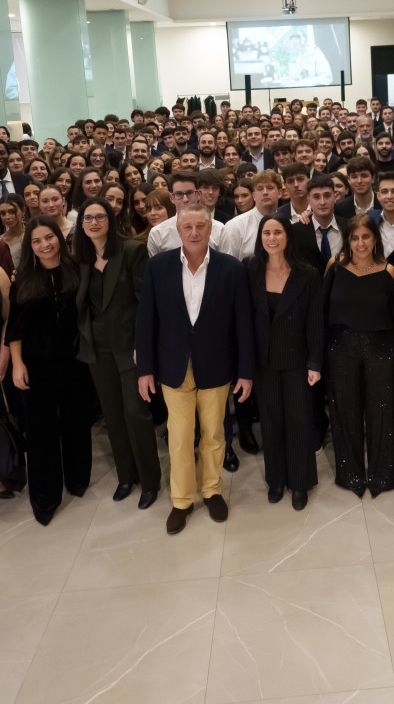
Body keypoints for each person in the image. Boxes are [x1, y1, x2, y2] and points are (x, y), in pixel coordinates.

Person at [136, 204, 256, 535]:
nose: (193, 232)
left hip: (216, 365)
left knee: (215, 434)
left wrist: (246, 371)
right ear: (177, 230)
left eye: (200, 226)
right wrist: (145, 368)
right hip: (172, 366)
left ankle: (212, 491)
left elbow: (243, 324)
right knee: (179, 436)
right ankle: (182, 500)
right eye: (187, 226)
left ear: (210, 229)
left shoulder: (230, 268)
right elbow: (146, 320)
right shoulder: (158, 267)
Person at [74, 197, 160, 510]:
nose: (93, 222)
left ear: (111, 220)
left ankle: (150, 481)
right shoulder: (79, 257)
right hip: (97, 348)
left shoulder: (131, 251)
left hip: (130, 346)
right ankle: (127, 477)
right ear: (81, 225)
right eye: (87, 218)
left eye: (99, 216)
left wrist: (144, 344)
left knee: (136, 413)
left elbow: (146, 303)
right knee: (112, 415)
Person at [6, 217, 92, 525]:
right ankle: (45, 498)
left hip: (73, 362)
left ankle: (78, 479)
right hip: (35, 364)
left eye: (49, 237)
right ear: (30, 247)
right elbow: (14, 328)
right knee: (41, 433)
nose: (45, 245)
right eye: (37, 241)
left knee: (75, 423)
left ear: (59, 237)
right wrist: (17, 364)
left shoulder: (77, 271)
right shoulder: (24, 280)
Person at [246, 215, 323, 511]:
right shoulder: (251, 269)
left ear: (288, 236)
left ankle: (300, 482)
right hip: (263, 361)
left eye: (278, 232)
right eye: (266, 232)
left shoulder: (307, 274)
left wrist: (314, 363)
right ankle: (276, 480)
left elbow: (316, 322)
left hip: (297, 360)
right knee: (271, 422)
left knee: (299, 421)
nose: (272, 238)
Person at [323, 214, 394, 498]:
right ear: (347, 240)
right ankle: (351, 474)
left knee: (382, 413)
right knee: (345, 412)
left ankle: (382, 475)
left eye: (366, 237)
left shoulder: (388, 271)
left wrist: (393, 351)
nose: (360, 243)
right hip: (340, 347)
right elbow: (322, 310)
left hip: (381, 349)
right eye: (354, 238)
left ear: (375, 239)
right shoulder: (335, 266)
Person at [0, 194, 26, 264]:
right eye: (3, 213)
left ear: (23, 211)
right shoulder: (1, 241)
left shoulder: (33, 235)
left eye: (12, 212)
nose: (7, 217)